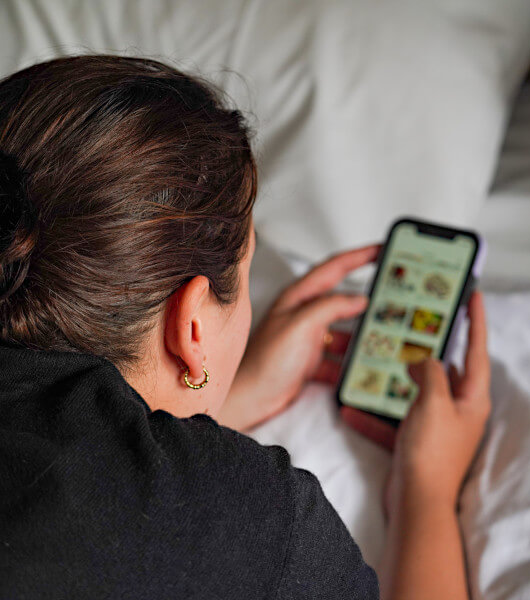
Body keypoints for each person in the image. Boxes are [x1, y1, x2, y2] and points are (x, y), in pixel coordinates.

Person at [0, 55, 491, 600]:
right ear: (190, 327)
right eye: (248, 273)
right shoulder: (255, 517)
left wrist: (231, 390)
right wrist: (428, 490)